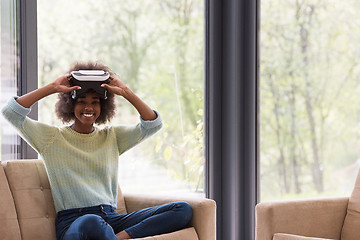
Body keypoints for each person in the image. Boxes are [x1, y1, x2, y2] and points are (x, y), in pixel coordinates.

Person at [1, 62, 192, 240]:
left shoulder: (112, 137)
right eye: (82, 101)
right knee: (91, 221)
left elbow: (153, 124)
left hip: (112, 218)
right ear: (70, 104)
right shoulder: (51, 138)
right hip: (75, 222)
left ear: (103, 106)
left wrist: (126, 92)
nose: (88, 108)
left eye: (95, 102)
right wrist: (52, 87)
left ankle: (117, 237)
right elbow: (11, 112)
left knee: (182, 209)